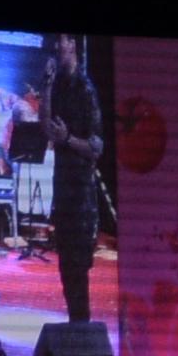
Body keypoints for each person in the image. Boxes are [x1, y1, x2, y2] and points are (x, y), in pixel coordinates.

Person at [43, 32, 106, 326]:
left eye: (63, 41)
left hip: (81, 193)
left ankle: (82, 327)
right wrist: (45, 85)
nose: (57, 46)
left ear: (74, 46)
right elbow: (46, 127)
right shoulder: (59, 86)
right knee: (66, 268)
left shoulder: (84, 89)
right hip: (63, 189)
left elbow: (96, 147)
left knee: (78, 268)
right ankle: (74, 324)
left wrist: (67, 139)